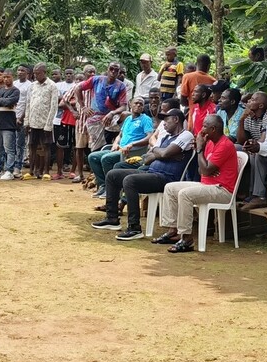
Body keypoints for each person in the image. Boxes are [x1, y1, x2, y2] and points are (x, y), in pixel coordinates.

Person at [92, 108, 195, 240]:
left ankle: (134, 228)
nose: (163, 123)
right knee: (113, 175)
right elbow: (147, 158)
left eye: (167, 120)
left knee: (130, 181)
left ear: (176, 120)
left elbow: (163, 153)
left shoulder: (186, 135)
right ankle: (112, 218)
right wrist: (163, 154)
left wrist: (160, 153)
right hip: (152, 172)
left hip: (167, 178)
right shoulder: (166, 137)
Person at [152, 115, 239, 254]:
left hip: (222, 190)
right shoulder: (209, 142)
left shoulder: (225, 144)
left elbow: (204, 169)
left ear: (213, 129)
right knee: (170, 188)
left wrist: (199, 150)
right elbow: (202, 170)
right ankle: (173, 231)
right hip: (207, 184)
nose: (201, 130)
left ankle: (187, 239)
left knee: (185, 194)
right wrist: (204, 158)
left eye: (205, 126)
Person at [87, 98, 153, 196]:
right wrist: (115, 143)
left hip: (131, 151)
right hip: (119, 149)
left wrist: (132, 144)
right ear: (130, 104)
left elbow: (149, 137)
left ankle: (112, 189)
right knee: (93, 157)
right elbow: (120, 135)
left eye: (141, 104)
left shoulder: (146, 119)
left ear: (143, 107)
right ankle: (103, 185)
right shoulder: (127, 119)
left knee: (107, 159)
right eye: (136, 103)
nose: (138, 105)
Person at [24, 63, 60, 180]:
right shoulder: (32, 86)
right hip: (33, 121)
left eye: (38, 73)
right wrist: (27, 121)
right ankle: (31, 171)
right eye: (34, 73)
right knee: (32, 146)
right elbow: (28, 103)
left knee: (46, 147)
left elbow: (54, 106)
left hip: (45, 122)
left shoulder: (52, 86)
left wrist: (49, 124)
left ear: (44, 72)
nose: (36, 76)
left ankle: (46, 171)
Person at [235, 91, 267, 209]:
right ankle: (238, 191)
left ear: (261, 106)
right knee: (235, 149)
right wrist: (241, 120)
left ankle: (258, 196)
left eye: (253, 100)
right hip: (253, 146)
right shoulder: (248, 116)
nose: (249, 102)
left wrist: (253, 145)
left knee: (256, 153)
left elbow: (264, 140)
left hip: (266, 150)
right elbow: (241, 140)